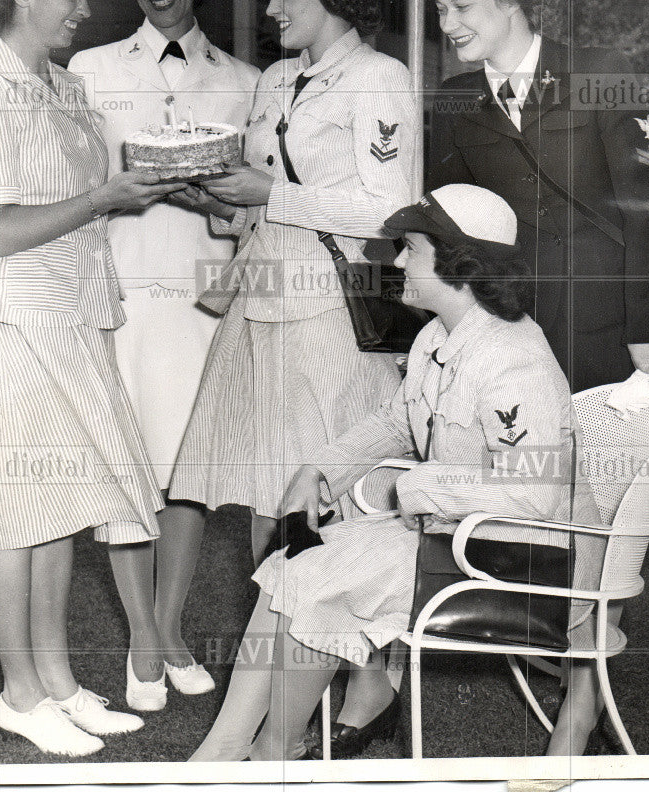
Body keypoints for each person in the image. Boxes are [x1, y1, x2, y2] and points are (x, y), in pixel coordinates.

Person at [189, 184, 601, 762]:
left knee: (324, 572)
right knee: (295, 562)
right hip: (465, 536)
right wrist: (319, 469)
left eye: (410, 248)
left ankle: (261, 753)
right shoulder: (440, 336)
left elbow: (534, 493)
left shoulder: (514, 361)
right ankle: (240, 748)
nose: (397, 261)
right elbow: (395, 421)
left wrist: (417, 486)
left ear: (460, 264)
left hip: (530, 557)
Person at [0, 0, 184, 756]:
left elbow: (85, 203)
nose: (85, 8)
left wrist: (141, 187)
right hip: (18, 318)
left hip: (79, 314)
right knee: (16, 510)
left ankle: (57, 682)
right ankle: (17, 692)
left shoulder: (69, 85)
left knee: (62, 508)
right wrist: (101, 199)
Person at [165, 0, 419, 651]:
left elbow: (389, 210)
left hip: (330, 314)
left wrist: (269, 194)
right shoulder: (276, 79)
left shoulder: (381, 78)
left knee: (320, 495)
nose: (270, 8)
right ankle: (281, 671)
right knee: (265, 496)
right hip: (260, 304)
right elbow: (262, 198)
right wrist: (219, 201)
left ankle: (347, 672)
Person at [68, 0, 260, 697]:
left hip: (201, 299)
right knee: (127, 468)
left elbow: (254, 205)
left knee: (188, 469)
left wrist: (222, 205)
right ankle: (142, 639)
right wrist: (124, 193)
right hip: (122, 294)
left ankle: (172, 623)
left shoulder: (245, 82)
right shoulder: (89, 72)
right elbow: (73, 191)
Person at [411, 0, 649, 394]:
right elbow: (451, 226)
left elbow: (648, 211)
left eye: (462, 6)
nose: (448, 24)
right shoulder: (454, 99)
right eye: (440, 10)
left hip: (603, 324)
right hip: (507, 325)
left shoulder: (599, 72)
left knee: (604, 460)